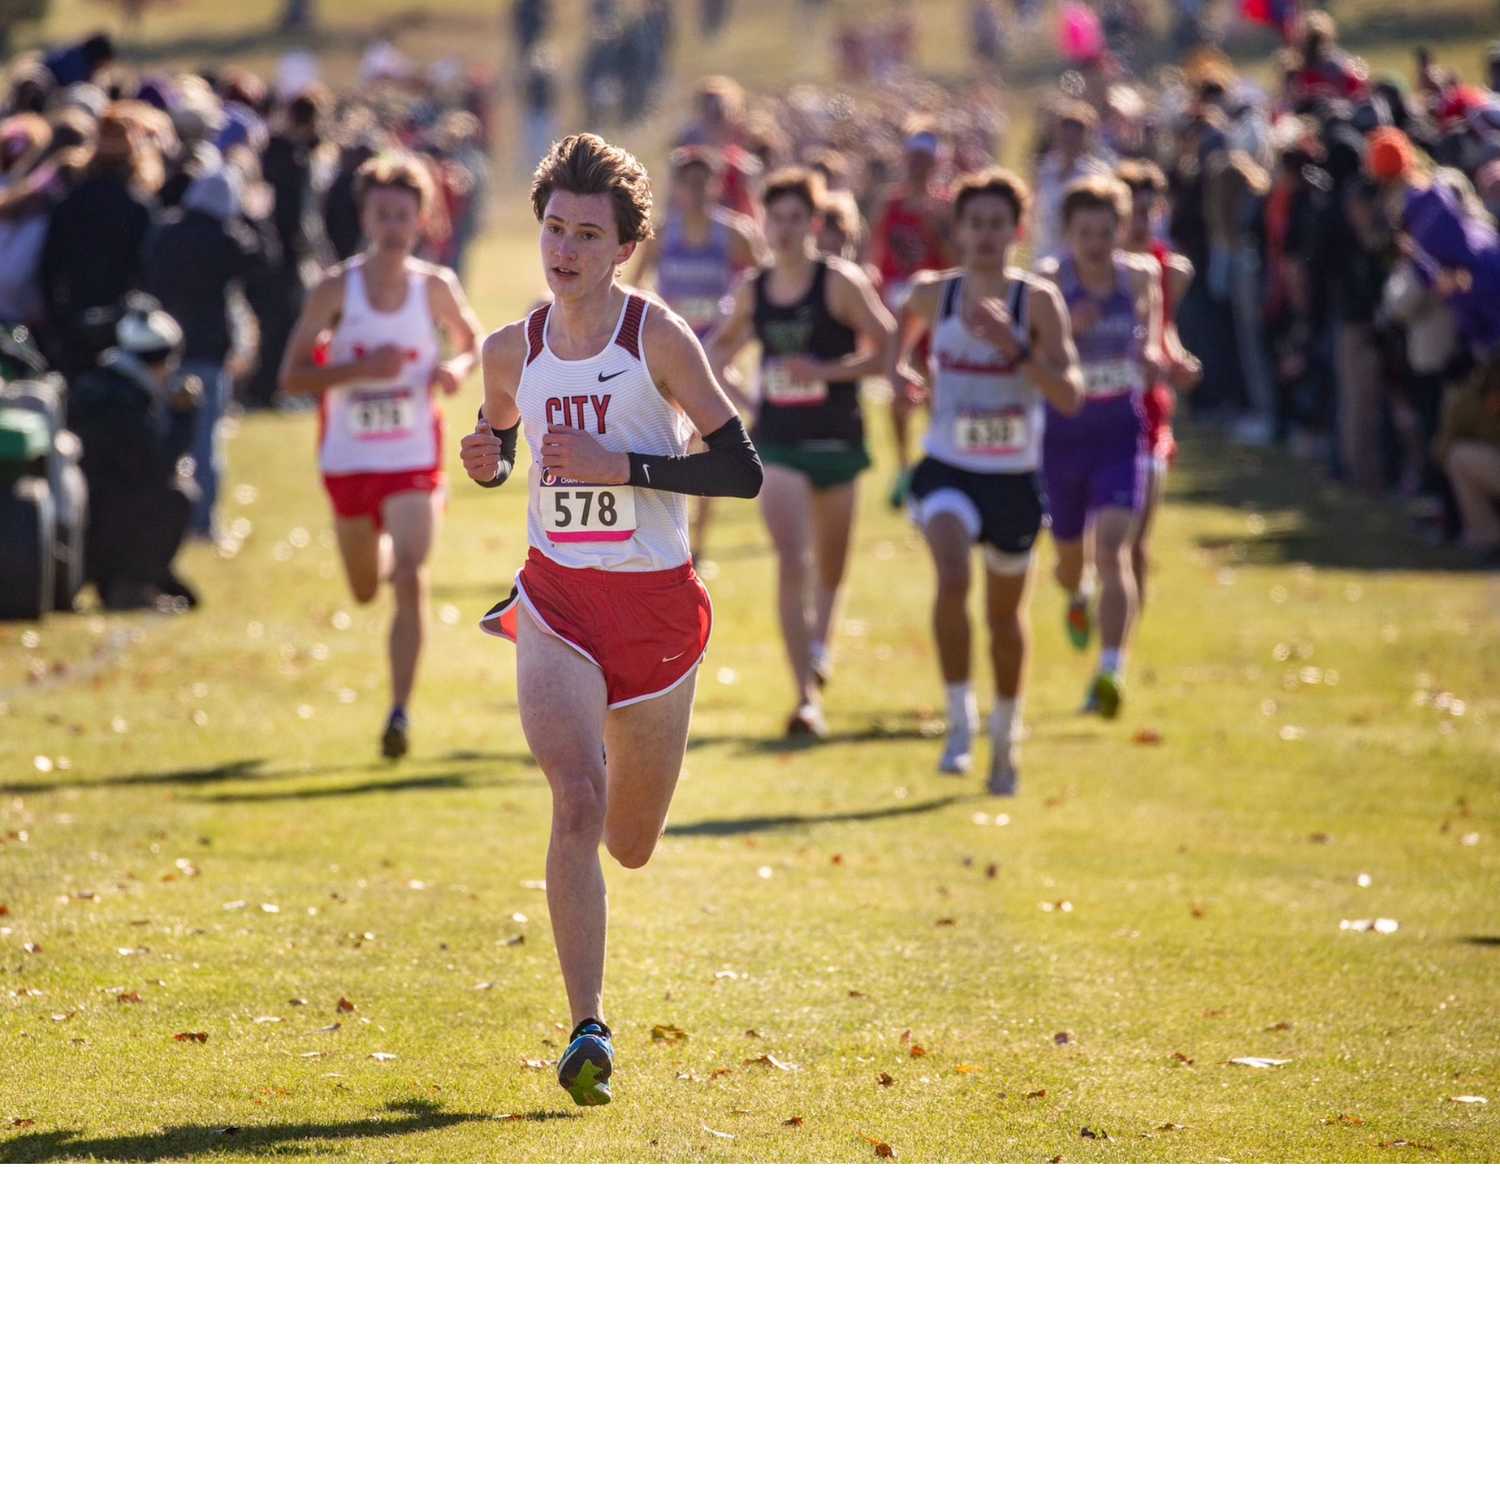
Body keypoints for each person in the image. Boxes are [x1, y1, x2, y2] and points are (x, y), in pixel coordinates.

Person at [458, 133, 762, 1107]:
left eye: (589, 234)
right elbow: (502, 439)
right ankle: (588, 1024)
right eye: (555, 228)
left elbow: (739, 469)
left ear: (623, 247)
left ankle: (595, 991)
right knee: (575, 801)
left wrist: (626, 469)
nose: (568, 248)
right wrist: (490, 461)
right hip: (558, 599)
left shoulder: (657, 338)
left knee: (629, 842)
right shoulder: (511, 349)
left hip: (658, 614)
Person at [279, 153, 484, 760]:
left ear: (422, 219)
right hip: (348, 458)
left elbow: (474, 342)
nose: (393, 225)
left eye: (404, 214)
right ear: (365, 217)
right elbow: (290, 377)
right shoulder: (336, 288)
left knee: (414, 578)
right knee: (366, 589)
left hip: (414, 453)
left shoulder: (435, 287)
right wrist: (358, 370)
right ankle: (389, 550)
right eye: (382, 214)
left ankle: (399, 713)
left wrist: (455, 367)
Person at [893, 168, 1082, 794]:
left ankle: (1005, 734)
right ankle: (957, 721)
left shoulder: (1038, 302)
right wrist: (901, 377)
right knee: (951, 576)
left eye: (998, 224)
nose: (985, 236)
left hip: (1013, 478)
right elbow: (896, 351)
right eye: (975, 223)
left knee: (1006, 620)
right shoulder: (933, 296)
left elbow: (1070, 394)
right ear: (959, 229)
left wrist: (1016, 347)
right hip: (948, 467)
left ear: (1017, 231)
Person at [708, 167, 894, 737]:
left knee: (831, 566)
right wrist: (751, 403)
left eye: (795, 219)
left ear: (813, 223)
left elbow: (885, 350)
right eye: (775, 219)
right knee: (793, 557)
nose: (784, 231)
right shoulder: (754, 290)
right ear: (763, 222)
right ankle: (804, 696)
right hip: (780, 444)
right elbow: (713, 357)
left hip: (837, 439)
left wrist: (826, 370)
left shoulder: (838, 283)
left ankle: (822, 644)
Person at [1037, 176, 1162, 720]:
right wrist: (1064, 329)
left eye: (1105, 232)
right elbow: (1026, 354)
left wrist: (1162, 361)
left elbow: (1153, 341)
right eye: (1084, 232)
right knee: (1069, 561)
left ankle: (1110, 670)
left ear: (1121, 230)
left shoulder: (1139, 277)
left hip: (1118, 428)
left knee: (1115, 548)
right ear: (1068, 234)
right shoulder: (1047, 283)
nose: (1095, 243)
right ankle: (1077, 592)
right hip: (1062, 432)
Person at [632, 145, 762, 560]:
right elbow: (633, 288)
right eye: (686, 181)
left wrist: (733, 335)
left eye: (702, 181)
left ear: (716, 185)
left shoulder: (735, 234)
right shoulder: (660, 235)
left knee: (713, 443)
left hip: (715, 357)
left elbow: (763, 292)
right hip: (669, 357)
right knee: (671, 441)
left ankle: (698, 543)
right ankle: (671, 533)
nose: (694, 189)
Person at [147, 168, 271, 540]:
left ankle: (159, 520)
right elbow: (264, 263)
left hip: (161, 351)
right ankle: (202, 523)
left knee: (161, 436)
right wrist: (256, 216)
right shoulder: (227, 238)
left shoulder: (166, 230)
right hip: (208, 350)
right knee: (204, 443)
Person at [70, 301, 201, 611]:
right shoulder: (126, 399)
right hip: (110, 518)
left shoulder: (103, 384)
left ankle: (140, 580)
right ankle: (133, 584)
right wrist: (185, 416)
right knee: (179, 495)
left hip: (96, 512)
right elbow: (155, 467)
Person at [1116, 158, 1201, 614]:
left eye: (1150, 211)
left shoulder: (1171, 270)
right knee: (1103, 538)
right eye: (1133, 211)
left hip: (1149, 411)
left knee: (1137, 539)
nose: (1141, 221)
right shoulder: (1085, 269)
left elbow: (1163, 328)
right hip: (1096, 412)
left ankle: (1121, 651)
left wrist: (1178, 359)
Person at [869, 125, 952, 506]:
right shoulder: (892, 205)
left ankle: (939, 460)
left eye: (926, 160)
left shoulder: (946, 207)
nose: (919, 168)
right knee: (898, 386)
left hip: (934, 309)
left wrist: (938, 229)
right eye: (914, 160)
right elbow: (878, 253)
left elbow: (952, 260)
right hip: (897, 307)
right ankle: (904, 468)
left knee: (937, 384)